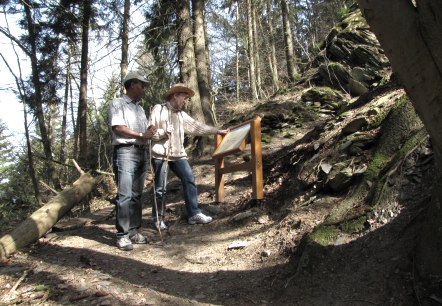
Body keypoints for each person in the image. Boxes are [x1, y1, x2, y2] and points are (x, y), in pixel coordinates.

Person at [149, 83, 228, 230]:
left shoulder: (181, 115)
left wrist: (216, 131)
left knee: (189, 180)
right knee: (160, 188)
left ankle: (193, 214)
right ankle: (158, 219)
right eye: (184, 98)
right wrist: (164, 132)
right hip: (161, 154)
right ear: (175, 96)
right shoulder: (158, 109)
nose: (186, 101)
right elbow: (151, 133)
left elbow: (197, 127)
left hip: (178, 155)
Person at [108, 71, 157, 251]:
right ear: (132, 84)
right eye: (142, 85)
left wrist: (150, 131)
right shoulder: (117, 103)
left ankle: (134, 231)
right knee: (125, 194)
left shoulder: (140, 108)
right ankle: (122, 235)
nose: (144, 88)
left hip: (141, 152)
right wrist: (141, 135)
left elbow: (144, 133)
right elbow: (118, 128)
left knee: (137, 195)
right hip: (125, 152)